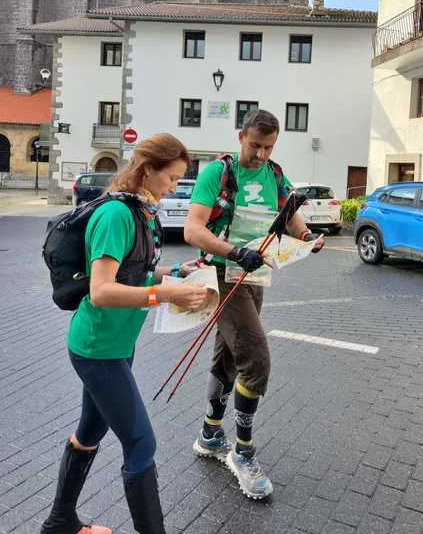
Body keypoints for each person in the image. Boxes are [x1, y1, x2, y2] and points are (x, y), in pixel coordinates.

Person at [41, 133, 209, 534]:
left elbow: (134, 272)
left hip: (116, 346)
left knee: (91, 430)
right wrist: (165, 294)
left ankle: (60, 521)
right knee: (141, 444)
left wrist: (175, 272)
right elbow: (101, 291)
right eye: (172, 178)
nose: (175, 187)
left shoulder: (141, 211)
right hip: (97, 349)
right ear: (148, 170)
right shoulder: (117, 215)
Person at [184, 110, 323, 499]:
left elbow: (290, 216)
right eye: (255, 145)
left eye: (269, 147)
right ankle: (242, 452)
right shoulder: (219, 173)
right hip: (222, 273)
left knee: (230, 355)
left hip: (256, 275)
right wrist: (233, 252)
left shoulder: (275, 174)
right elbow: (192, 229)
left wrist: (307, 236)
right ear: (240, 136)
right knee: (256, 359)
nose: (261, 154)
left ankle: (210, 433)